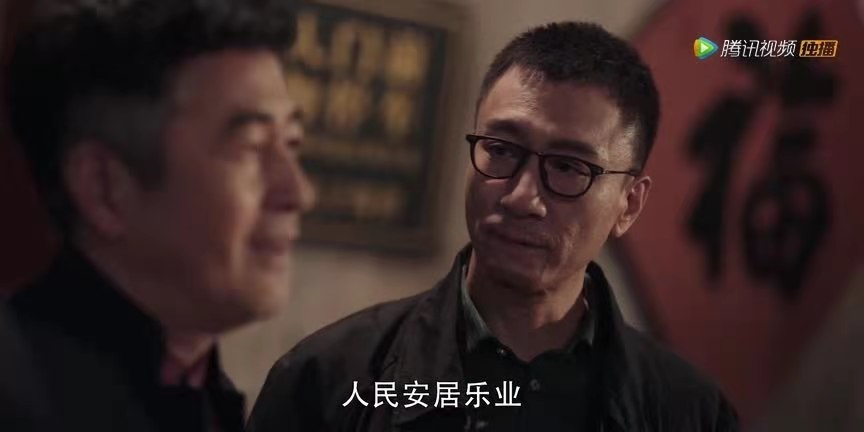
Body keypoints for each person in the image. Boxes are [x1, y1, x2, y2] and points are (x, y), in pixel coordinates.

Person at [248, 21, 739, 432]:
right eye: (501, 150)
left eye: (568, 167)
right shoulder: (329, 379)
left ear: (628, 205)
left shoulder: (689, 412)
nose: (522, 196)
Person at [5, 0, 314, 431]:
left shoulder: (207, 397)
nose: (299, 194)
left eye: (292, 143)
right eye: (250, 147)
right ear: (104, 188)